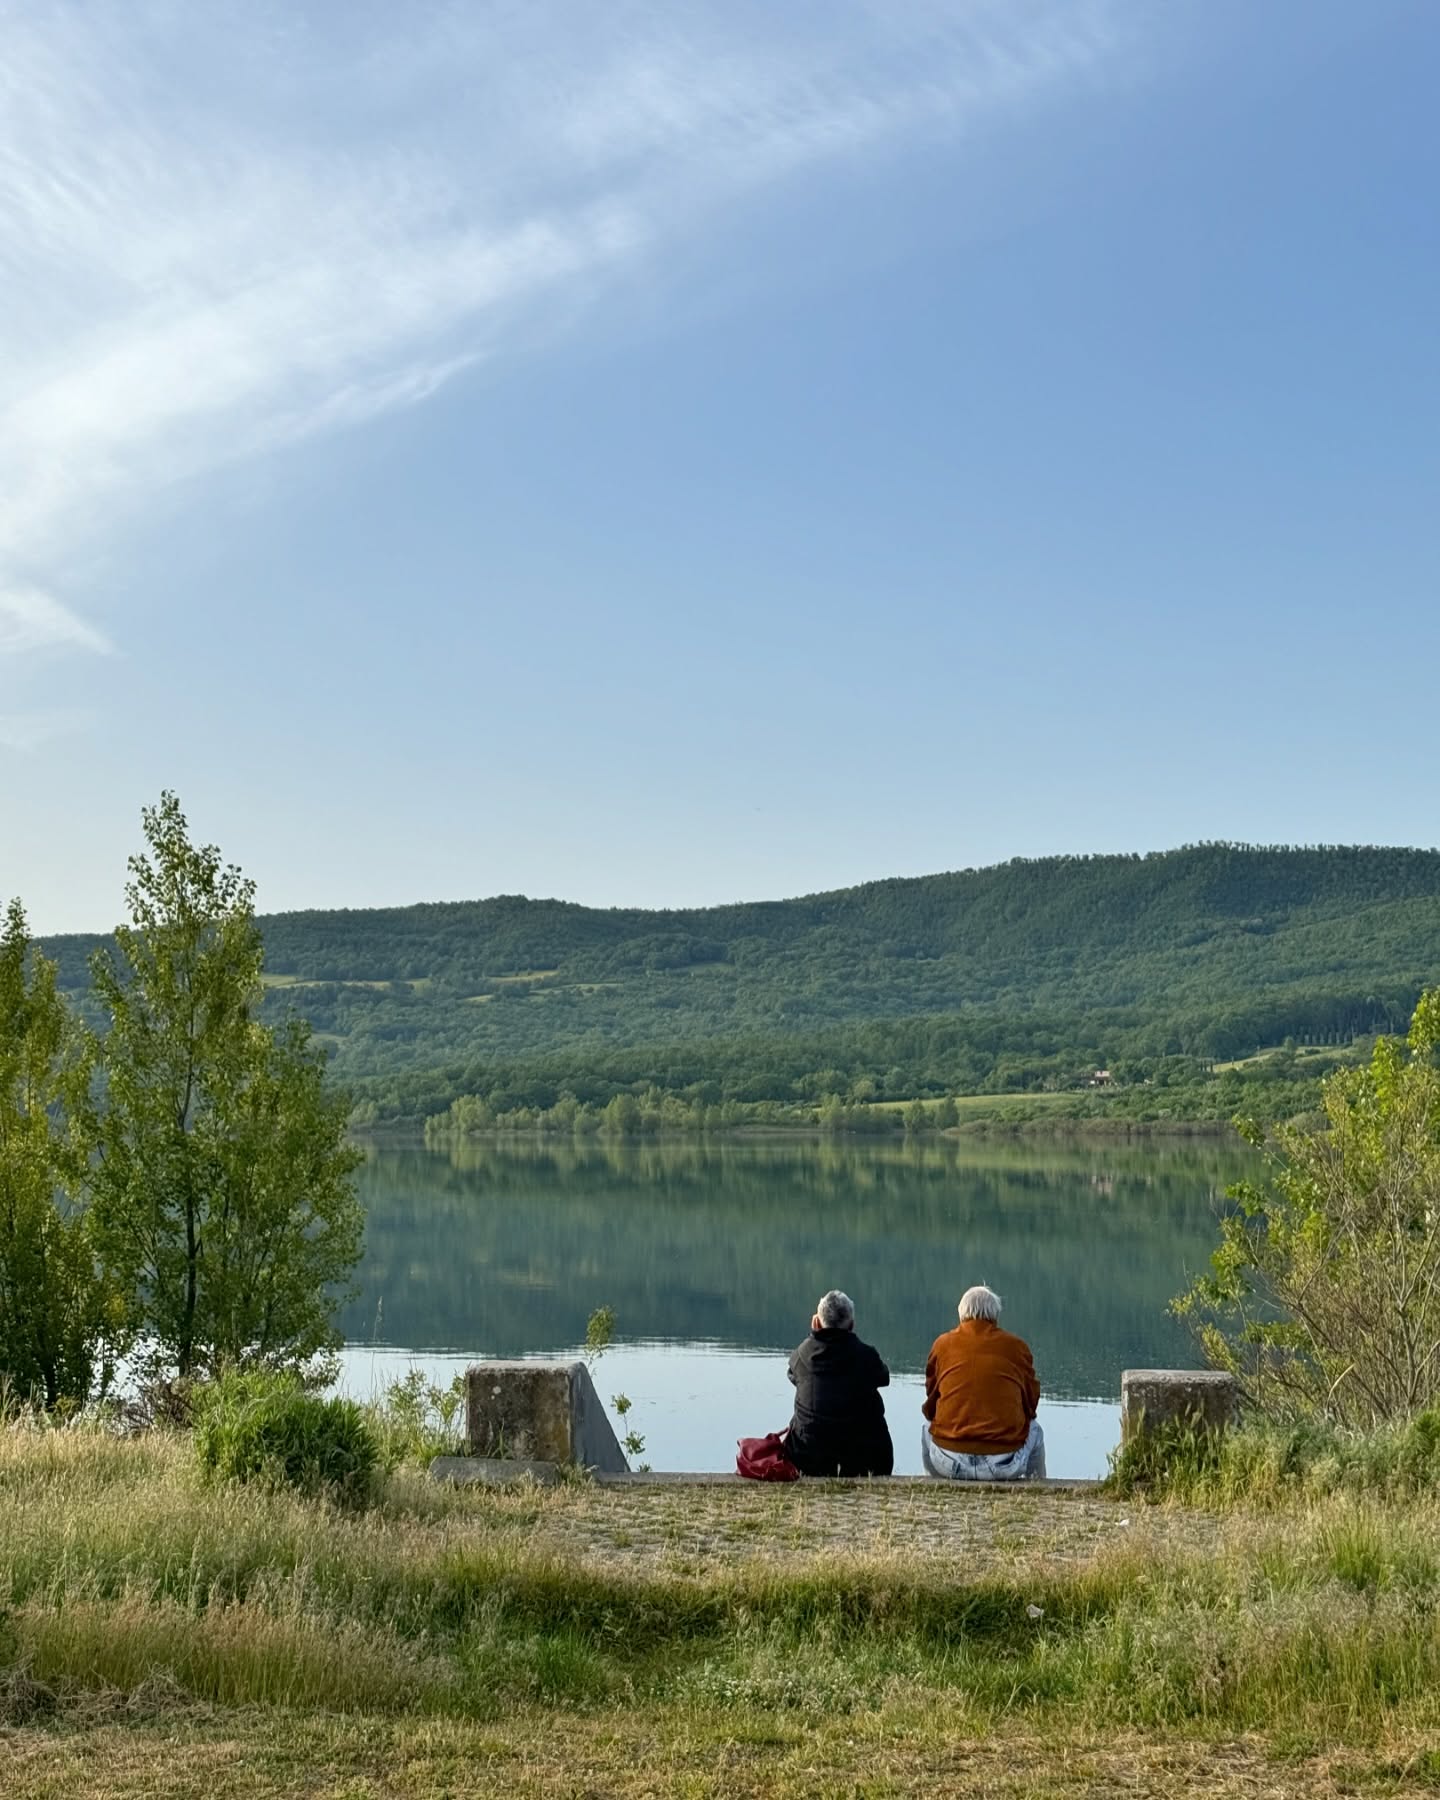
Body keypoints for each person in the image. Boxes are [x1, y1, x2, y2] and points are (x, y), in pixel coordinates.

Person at [920, 1284, 1045, 1480]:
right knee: (1035, 1429)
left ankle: (934, 1482)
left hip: (950, 1463)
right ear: (995, 1316)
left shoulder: (942, 1344)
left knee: (927, 1427)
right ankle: (1038, 1485)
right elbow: (1031, 1403)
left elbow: (932, 1401)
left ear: (961, 1313)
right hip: (1004, 1464)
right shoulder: (1017, 1347)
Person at [785, 1289, 894, 1477]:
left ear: (817, 1322)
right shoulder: (866, 1356)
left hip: (809, 1461)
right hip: (865, 1462)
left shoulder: (802, 1355)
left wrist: (814, 1336)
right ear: (851, 1325)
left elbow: (793, 1376)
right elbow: (884, 1377)